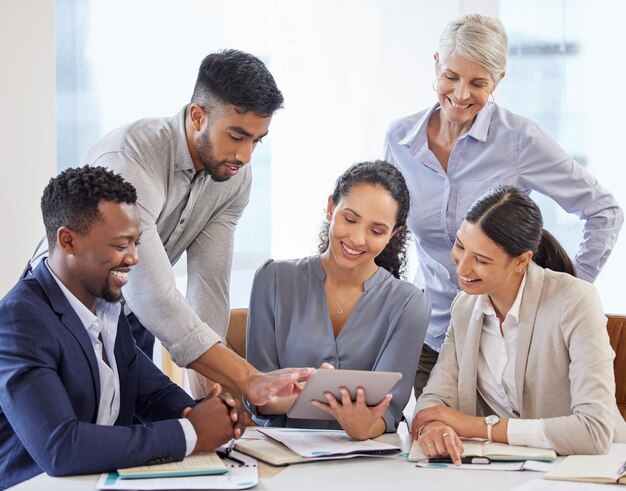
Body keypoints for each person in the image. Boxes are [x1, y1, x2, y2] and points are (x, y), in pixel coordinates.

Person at [28, 49, 311, 404]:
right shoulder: (129, 159)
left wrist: (214, 396)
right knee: (70, 443)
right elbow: (154, 294)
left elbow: (208, 285)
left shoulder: (234, 176)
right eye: (237, 136)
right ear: (197, 116)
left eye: (257, 141)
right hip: (63, 307)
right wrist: (247, 378)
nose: (246, 155)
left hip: (130, 315)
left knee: (147, 437)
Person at [383, 13, 623, 399]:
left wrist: (566, 293)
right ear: (435, 64)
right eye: (451, 76)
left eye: (478, 83)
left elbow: (603, 211)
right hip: (431, 335)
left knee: (512, 449)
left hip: (506, 341)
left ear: (498, 81)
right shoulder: (400, 139)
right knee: (439, 447)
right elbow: (389, 232)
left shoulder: (519, 140)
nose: (461, 94)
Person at [0, 167, 245, 490]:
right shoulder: (20, 321)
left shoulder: (105, 303)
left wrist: (206, 413)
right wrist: (191, 432)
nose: (134, 259)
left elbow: (152, 393)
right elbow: (60, 446)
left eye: (136, 243)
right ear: (68, 240)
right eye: (120, 245)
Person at [411, 185, 626, 462]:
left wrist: (476, 426)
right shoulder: (465, 308)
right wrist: (436, 427)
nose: (462, 268)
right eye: (461, 246)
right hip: (504, 470)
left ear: (521, 261)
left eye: (481, 260)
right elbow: (434, 400)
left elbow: (593, 431)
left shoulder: (575, 300)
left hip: (589, 469)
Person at [246, 161, 430, 440]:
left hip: (366, 454)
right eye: (350, 219)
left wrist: (362, 423)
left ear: (394, 234)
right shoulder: (272, 279)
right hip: (281, 451)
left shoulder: (409, 303)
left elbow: (387, 411)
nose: (357, 239)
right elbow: (259, 395)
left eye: (377, 231)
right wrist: (323, 400)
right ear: (331, 208)